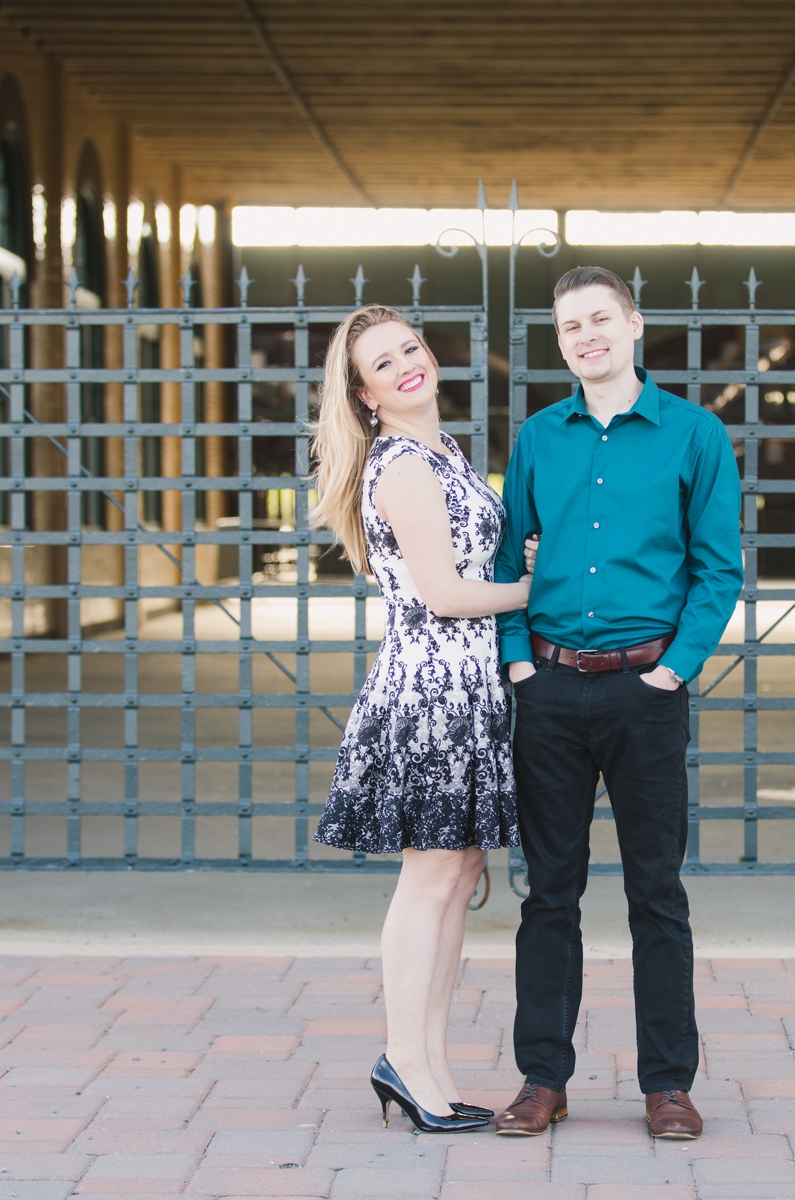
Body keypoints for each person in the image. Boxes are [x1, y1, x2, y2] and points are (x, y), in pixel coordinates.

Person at [492, 266, 742, 1141]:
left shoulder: (695, 436)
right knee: (548, 893)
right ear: (559, 342)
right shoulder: (538, 437)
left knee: (656, 893)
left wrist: (674, 670)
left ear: (635, 324)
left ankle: (667, 1084)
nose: (586, 335)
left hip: (646, 692)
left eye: (600, 318)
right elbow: (503, 563)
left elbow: (718, 569)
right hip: (550, 692)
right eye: (570, 326)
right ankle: (542, 1078)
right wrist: (519, 662)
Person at [310, 304, 532, 1135]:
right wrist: (536, 594)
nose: (407, 364)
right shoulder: (402, 462)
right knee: (430, 880)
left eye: (410, 348)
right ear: (365, 394)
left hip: (469, 691)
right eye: (383, 362)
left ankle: (429, 1065)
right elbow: (443, 594)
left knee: (456, 879)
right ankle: (406, 1060)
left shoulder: (447, 451)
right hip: (430, 695)